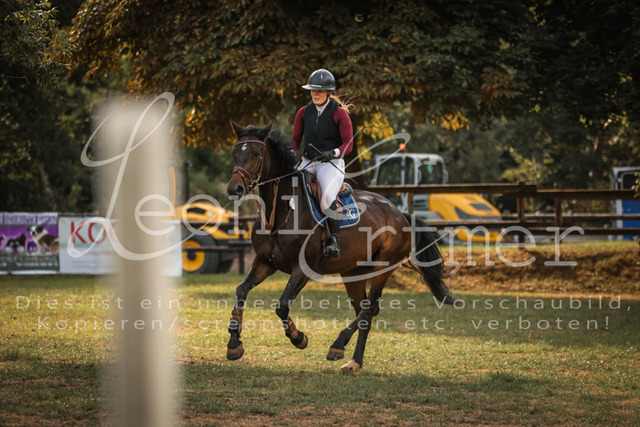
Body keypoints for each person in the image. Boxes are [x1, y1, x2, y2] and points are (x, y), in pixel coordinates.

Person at [290, 69, 354, 257]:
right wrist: (291, 153)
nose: (315, 94)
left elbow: (348, 144)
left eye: (319, 91)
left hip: (331, 164)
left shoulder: (339, 113)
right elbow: (295, 140)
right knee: (287, 186)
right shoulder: (303, 112)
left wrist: (333, 152)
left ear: (329, 92)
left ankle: (333, 239)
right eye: (313, 90)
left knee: (326, 198)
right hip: (308, 161)